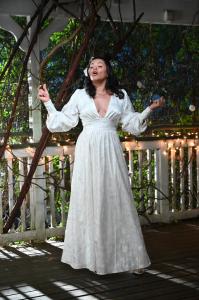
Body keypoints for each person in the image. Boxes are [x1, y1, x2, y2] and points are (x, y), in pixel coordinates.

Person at [38, 56, 164, 275]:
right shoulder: (79, 95)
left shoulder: (121, 96)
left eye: (100, 65)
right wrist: (48, 102)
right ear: (88, 73)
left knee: (117, 197)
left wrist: (149, 110)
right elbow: (63, 121)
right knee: (89, 197)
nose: (94, 68)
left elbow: (132, 123)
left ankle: (131, 259)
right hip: (88, 149)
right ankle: (91, 257)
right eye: (91, 66)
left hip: (111, 148)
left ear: (107, 71)